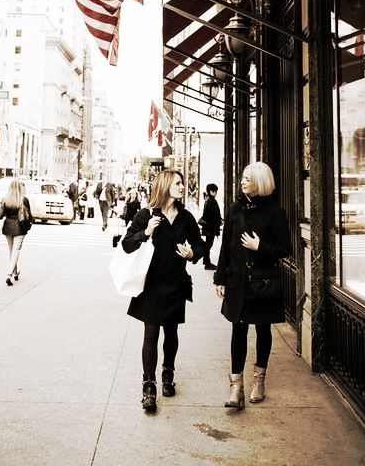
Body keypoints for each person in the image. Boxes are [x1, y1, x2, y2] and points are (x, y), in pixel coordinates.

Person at [122, 168, 204, 412]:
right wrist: (145, 233)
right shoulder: (146, 214)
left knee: (171, 332)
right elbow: (126, 244)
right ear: (166, 185)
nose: (182, 186)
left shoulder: (186, 217)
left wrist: (192, 254)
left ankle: (168, 373)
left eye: (181, 183)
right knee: (150, 335)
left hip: (176, 283)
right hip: (151, 285)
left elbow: (200, 246)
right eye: (178, 183)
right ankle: (149, 387)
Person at [214, 162, 292, 408]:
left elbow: (285, 248)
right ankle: (236, 387)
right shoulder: (236, 208)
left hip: (263, 282)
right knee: (238, 330)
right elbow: (226, 246)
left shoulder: (274, 212)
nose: (243, 181)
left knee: (262, 330)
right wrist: (220, 278)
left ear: (260, 183)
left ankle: (259, 380)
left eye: (248, 178)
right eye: (243, 177)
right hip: (237, 281)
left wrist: (261, 247)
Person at [0, 179, 32, 285]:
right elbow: (29, 215)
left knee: (11, 251)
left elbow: (0, 214)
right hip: (20, 227)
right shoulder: (24, 200)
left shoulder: (5, 199)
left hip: (8, 226)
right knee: (16, 251)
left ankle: (15, 272)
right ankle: (9, 275)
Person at [199, 183, 223, 270]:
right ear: (211, 191)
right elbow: (213, 214)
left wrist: (220, 219)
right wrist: (219, 220)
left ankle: (206, 262)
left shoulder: (208, 200)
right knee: (208, 245)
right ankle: (207, 263)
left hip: (209, 227)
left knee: (208, 244)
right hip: (210, 227)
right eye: (215, 191)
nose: (216, 193)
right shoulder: (211, 201)